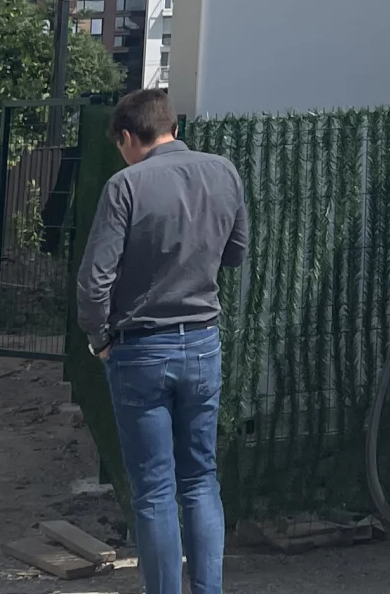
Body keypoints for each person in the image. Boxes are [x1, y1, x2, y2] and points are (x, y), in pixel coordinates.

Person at [76, 89, 248, 594]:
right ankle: (208, 589)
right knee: (200, 478)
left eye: (119, 144)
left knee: (154, 489)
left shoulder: (125, 185)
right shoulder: (223, 171)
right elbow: (236, 253)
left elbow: (94, 281)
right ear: (171, 125)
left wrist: (99, 337)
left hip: (140, 348)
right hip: (202, 341)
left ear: (129, 136)